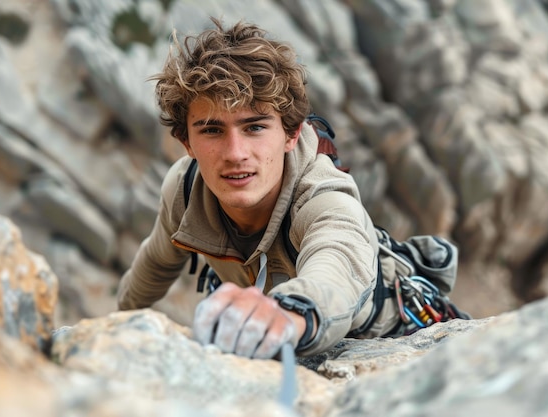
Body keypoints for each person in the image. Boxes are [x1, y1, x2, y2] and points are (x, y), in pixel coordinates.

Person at [117, 18, 399, 359]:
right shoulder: (186, 189)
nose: (235, 154)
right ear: (186, 142)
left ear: (291, 134)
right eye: (211, 130)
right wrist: (112, 330)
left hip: (380, 340)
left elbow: (338, 261)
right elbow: (155, 265)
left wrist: (288, 313)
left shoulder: (323, 195)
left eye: (254, 127)